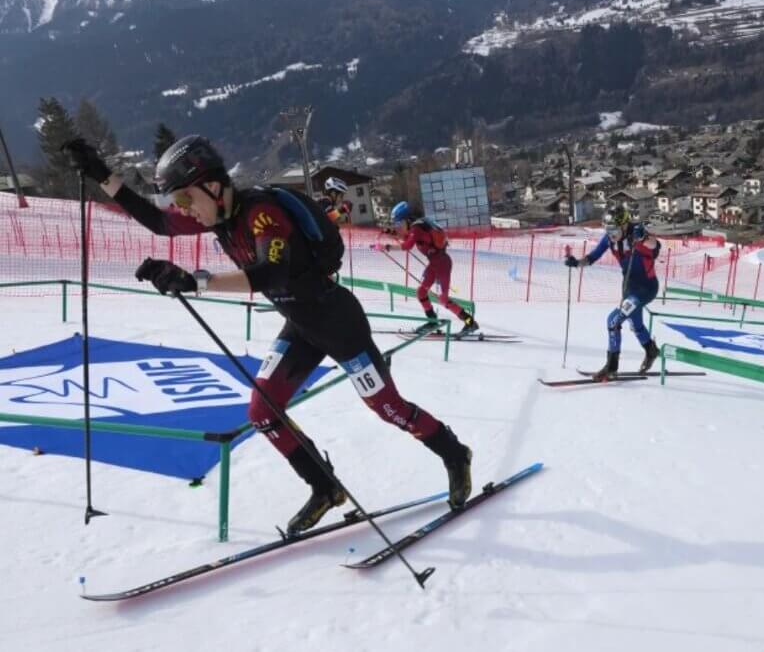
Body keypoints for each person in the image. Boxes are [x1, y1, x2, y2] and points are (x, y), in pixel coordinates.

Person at [62, 136, 472, 535]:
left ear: (213, 185)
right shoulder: (216, 215)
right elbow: (155, 220)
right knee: (262, 412)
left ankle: (455, 453)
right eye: (178, 202)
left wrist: (195, 281)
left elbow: (270, 272)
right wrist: (101, 173)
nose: (184, 209)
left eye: (186, 198)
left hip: (338, 324)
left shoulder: (261, 214)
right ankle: (325, 487)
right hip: (301, 327)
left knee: (388, 409)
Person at [564, 205, 661, 380]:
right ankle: (651, 350)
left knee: (613, 321)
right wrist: (577, 263)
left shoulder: (636, 235)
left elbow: (655, 246)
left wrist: (644, 237)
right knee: (636, 324)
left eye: (614, 229)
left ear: (624, 225)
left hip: (645, 289)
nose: (611, 233)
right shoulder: (610, 240)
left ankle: (612, 366)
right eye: (607, 229)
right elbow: (593, 257)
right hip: (629, 289)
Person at [382, 201, 479, 337]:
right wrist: (389, 232)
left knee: (443, 299)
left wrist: (388, 247)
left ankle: (470, 322)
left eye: (399, 224)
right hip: (434, 264)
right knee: (421, 292)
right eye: (396, 225)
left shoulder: (416, 228)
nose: (398, 227)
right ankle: (433, 321)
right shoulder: (417, 227)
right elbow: (406, 237)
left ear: (408, 220)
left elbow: (407, 245)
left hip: (442, 265)